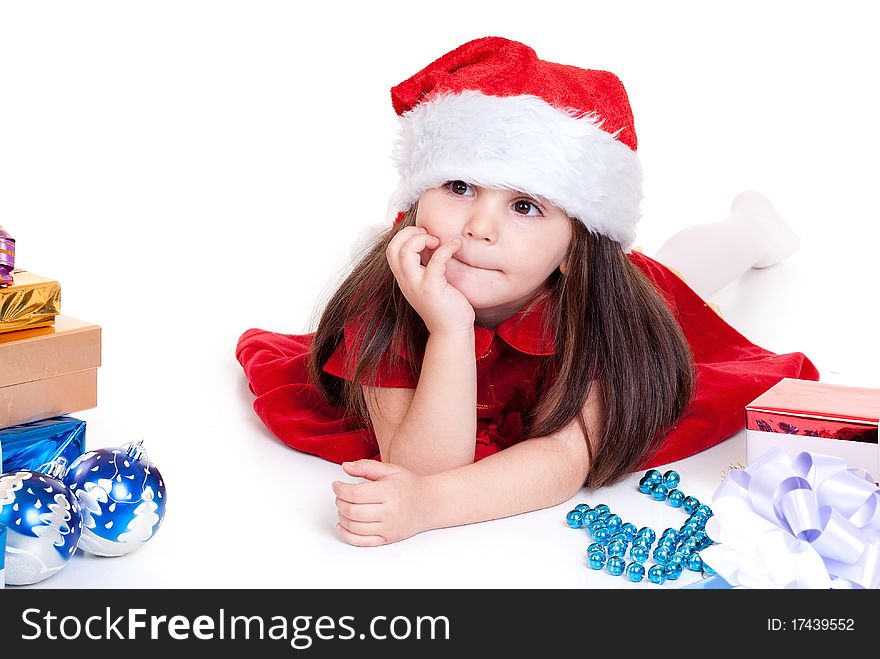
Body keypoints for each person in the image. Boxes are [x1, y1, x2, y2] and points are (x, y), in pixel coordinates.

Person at [235, 36, 819, 546]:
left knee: (679, 277)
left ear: (573, 248)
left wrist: (431, 508)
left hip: (621, 300)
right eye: (459, 186)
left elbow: (562, 460)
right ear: (416, 199)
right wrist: (448, 329)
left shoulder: (598, 314)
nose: (479, 228)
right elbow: (422, 465)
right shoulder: (389, 295)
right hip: (472, 313)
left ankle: (752, 230)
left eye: (525, 206)